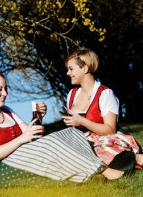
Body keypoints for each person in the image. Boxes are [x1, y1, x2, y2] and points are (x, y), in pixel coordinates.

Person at [0, 67, 106, 187]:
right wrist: (21, 139)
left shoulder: (8, 112)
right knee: (50, 144)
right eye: (0, 89)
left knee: (71, 132)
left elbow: (34, 137)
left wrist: (38, 118)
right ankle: (100, 170)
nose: (5, 93)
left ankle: (91, 173)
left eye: (6, 89)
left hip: (21, 158)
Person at [61, 47, 143, 179]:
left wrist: (82, 121)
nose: (68, 73)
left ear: (85, 68)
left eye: (71, 69)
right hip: (82, 142)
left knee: (99, 150)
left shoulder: (105, 94)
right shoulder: (72, 94)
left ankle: (131, 159)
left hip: (104, 139)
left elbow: (110, 130)